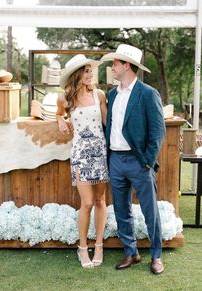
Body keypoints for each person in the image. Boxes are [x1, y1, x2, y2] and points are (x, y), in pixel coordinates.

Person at [101, 44, 166, 275]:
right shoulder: (111, 94)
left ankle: (156, 256)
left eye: (115, 64)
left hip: (139, 162)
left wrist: (147, 161)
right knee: (121, 210)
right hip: (116, 160)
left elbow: (158, 131)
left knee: (150, 211)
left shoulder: (148, 94)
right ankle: (131, 252)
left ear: (126, 65)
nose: (112, 68)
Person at [56, 54, 109, 268]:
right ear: (77, 74)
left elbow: (108, 123)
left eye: (90, 70)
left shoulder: (100, 95)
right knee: (86, 203)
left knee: (100, 202)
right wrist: (60, 120)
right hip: (79, 154)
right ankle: (82, 248)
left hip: (101, 153)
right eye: (86, 71)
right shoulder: (65, 99)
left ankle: (99, 245)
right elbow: (58, 114)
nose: (90, 74)